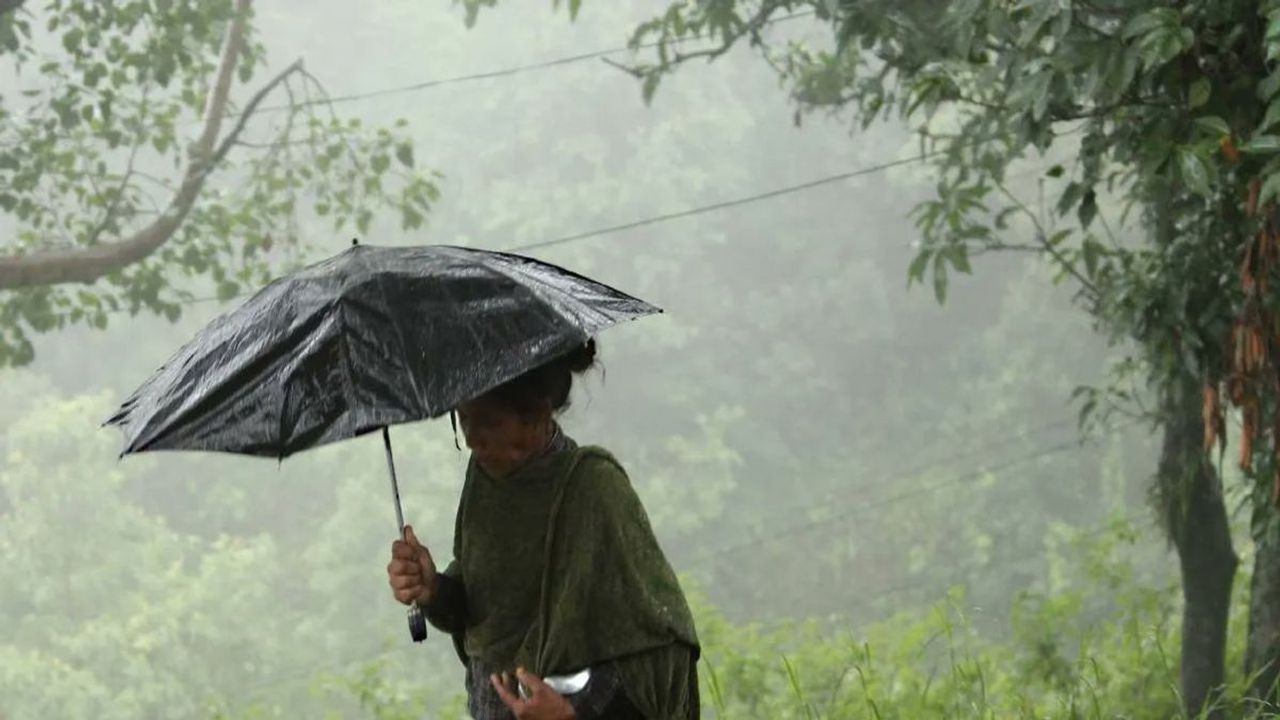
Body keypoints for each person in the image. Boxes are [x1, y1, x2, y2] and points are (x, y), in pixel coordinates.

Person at [386, 340, 700, 719]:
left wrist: (570, 716)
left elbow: (657, 646)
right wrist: (432, 588)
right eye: (463, 419)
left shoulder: (592, 488)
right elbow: (482, 612)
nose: (471, 438)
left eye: (488, 422)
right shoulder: (485, 483)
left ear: (536, 412)